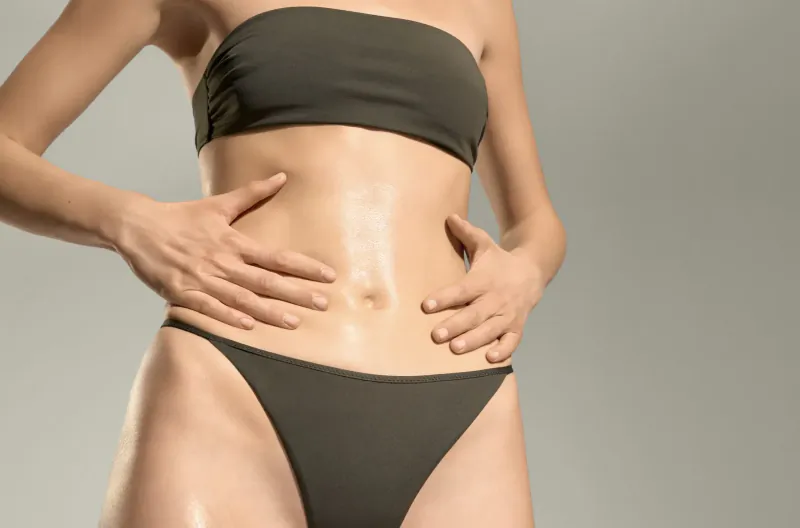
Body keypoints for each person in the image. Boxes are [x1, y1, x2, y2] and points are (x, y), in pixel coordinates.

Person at [0, 0, 566, 526]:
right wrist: (127, 221)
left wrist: (528, 268)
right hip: (236, 387)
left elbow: (535, 221)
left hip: (460, 409)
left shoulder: (481, 5)